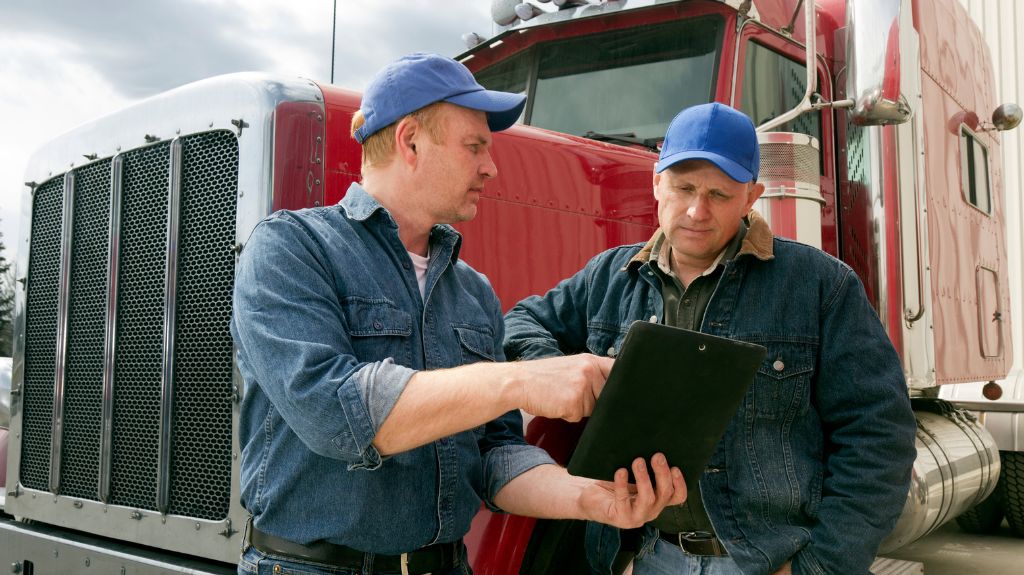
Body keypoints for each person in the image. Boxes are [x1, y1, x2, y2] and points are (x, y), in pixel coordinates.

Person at [229, 52, 686, 575]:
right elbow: (336, 414)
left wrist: (590, 500)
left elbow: (494, 456)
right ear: (411, 141)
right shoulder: (291, 249)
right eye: (475, 147)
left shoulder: (473, 292)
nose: (490, 166)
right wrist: (519, 379)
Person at [503, 102, 917, 575]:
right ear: (656, 182)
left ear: (751, 196)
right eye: (684, 188)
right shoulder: (609, 276)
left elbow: (879, 438)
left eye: (720, 194)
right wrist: (560, 374)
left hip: (768, 562)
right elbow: (520, 323)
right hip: (648, 557)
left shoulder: (821, 287)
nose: (698, 210)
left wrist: (821, 566)